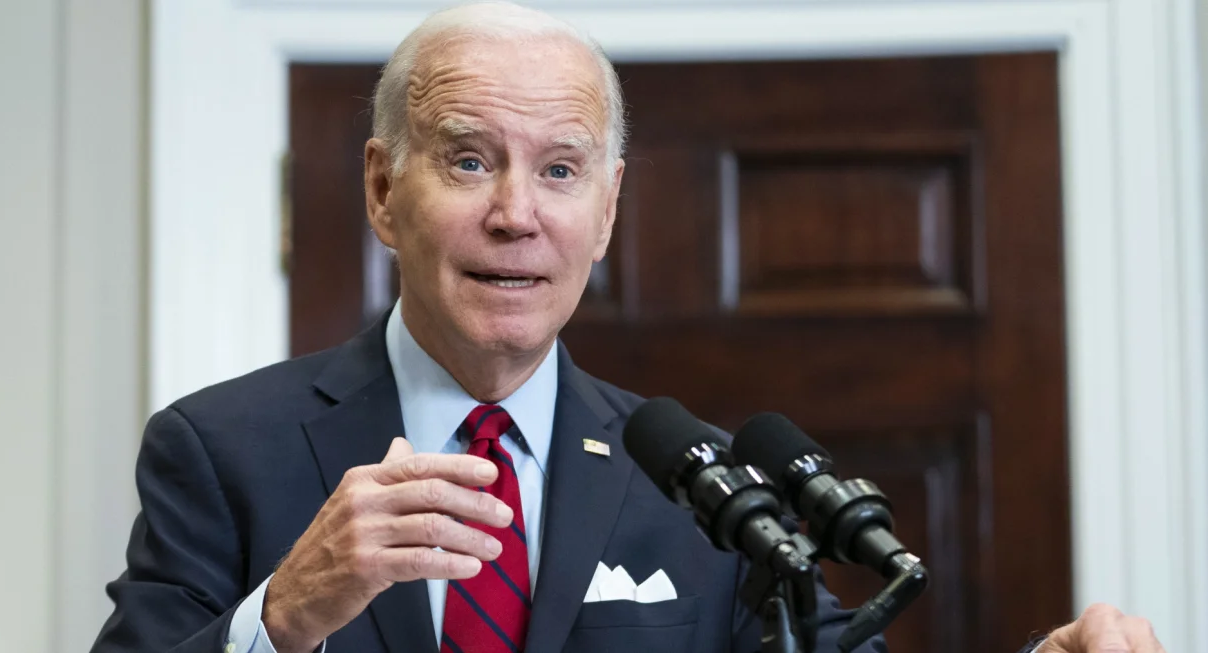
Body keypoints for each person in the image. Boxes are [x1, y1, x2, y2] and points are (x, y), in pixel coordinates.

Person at [91, 3, 1167, 653]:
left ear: (604, 211)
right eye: (469, 159)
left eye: (559, 170)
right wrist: (281, 615)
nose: (516, 211)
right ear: (382, 191)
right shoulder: (221, 450)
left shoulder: (699, 481)